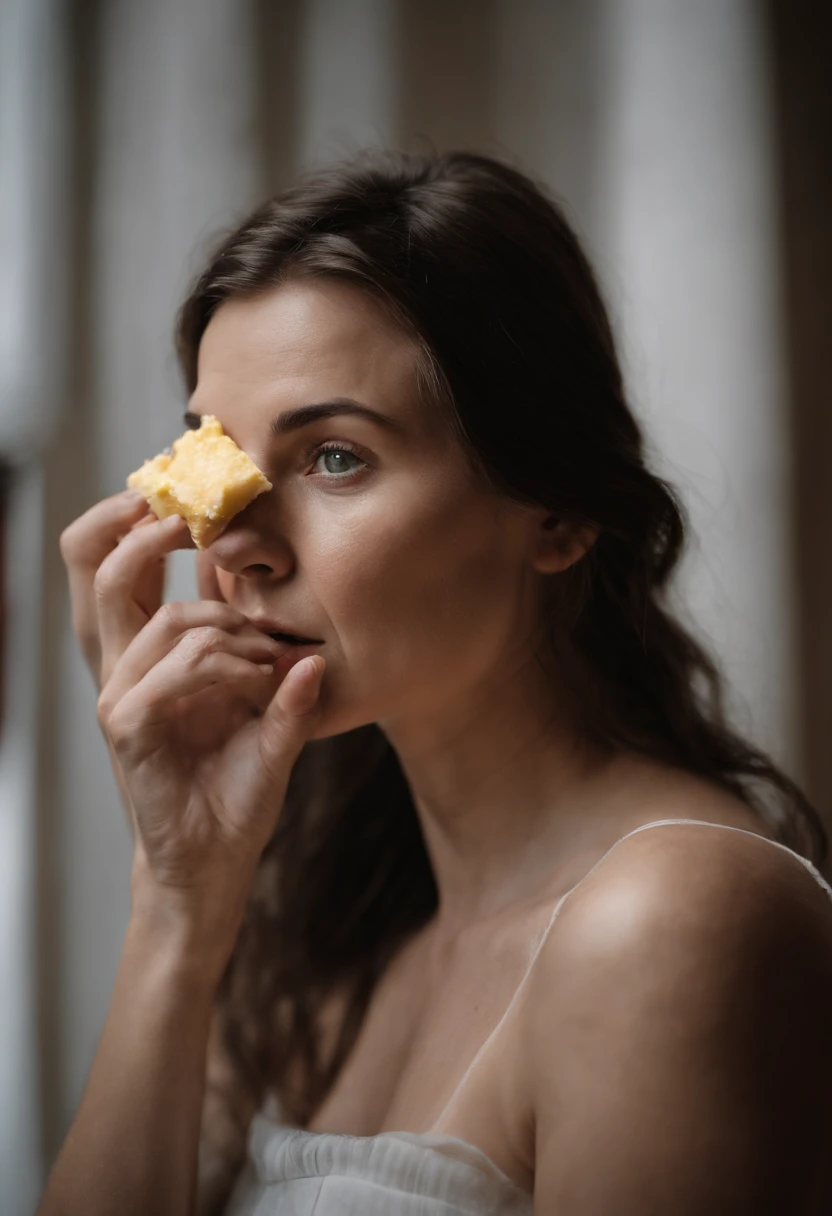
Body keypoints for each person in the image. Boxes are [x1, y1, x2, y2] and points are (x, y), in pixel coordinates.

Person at [41, 149, 832, 1215]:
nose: (236, 550)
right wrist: (175, 908)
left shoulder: (671, 921)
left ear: (555, 512)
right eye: (217, 455)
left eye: (333, 457)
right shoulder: (321, 938)